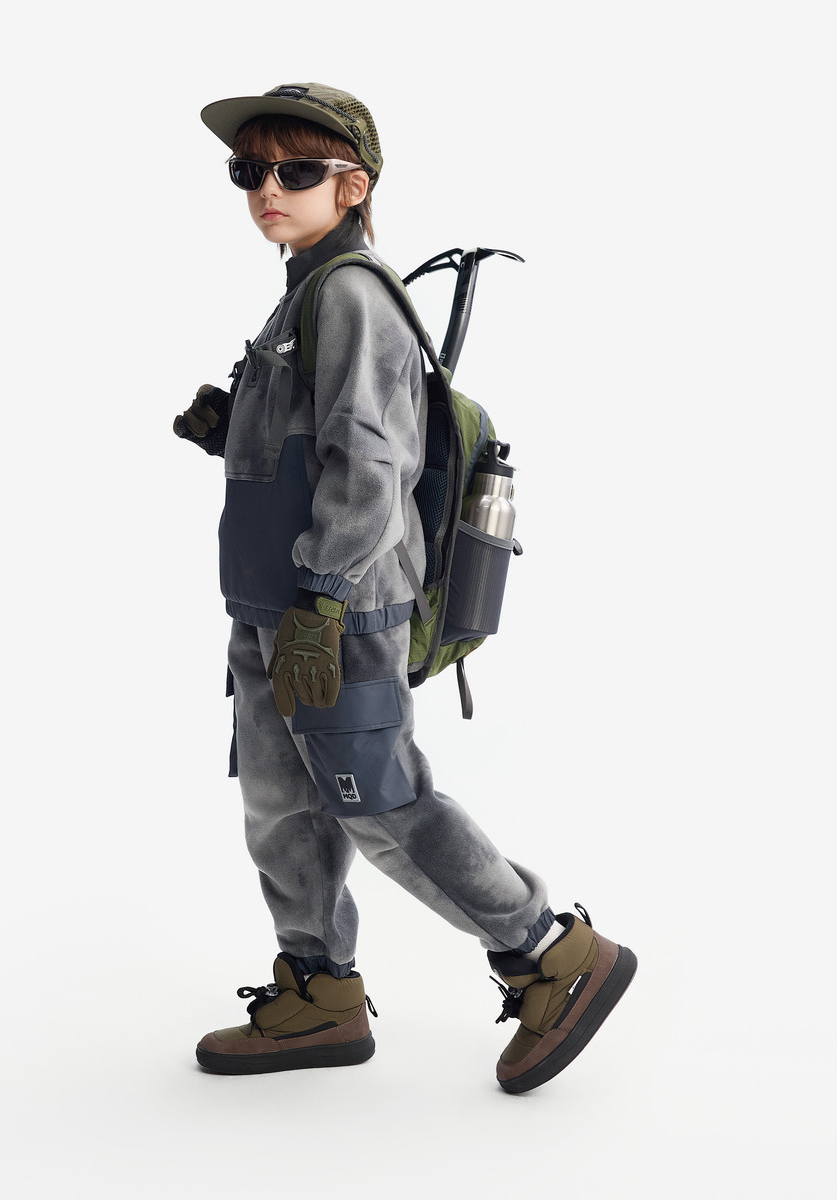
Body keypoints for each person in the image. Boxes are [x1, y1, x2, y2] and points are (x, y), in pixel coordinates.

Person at [175, 82, 636, 1093]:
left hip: (332, 610)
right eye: (249, 171)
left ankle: (550, 950)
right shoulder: (303, 287)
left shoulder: (351, 293)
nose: (267, 189)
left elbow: (373, 467)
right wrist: (235, 431)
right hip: (271, 606)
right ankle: (318, 991)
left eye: (297, 170)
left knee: (379, 804)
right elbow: (320, 446)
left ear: (354, 186)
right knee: (282, 809)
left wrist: (326, 601)